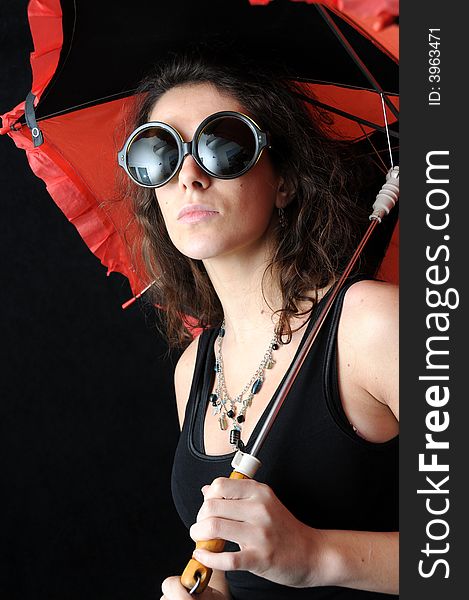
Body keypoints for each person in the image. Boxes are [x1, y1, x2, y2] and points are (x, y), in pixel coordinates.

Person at [118, 48, 398, 599]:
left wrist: (318, 555)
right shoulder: (193, 370)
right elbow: (232, 570)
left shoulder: (372, 325)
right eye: (160, 152)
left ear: (285, 179)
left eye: (223, 145)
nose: (189, 176)